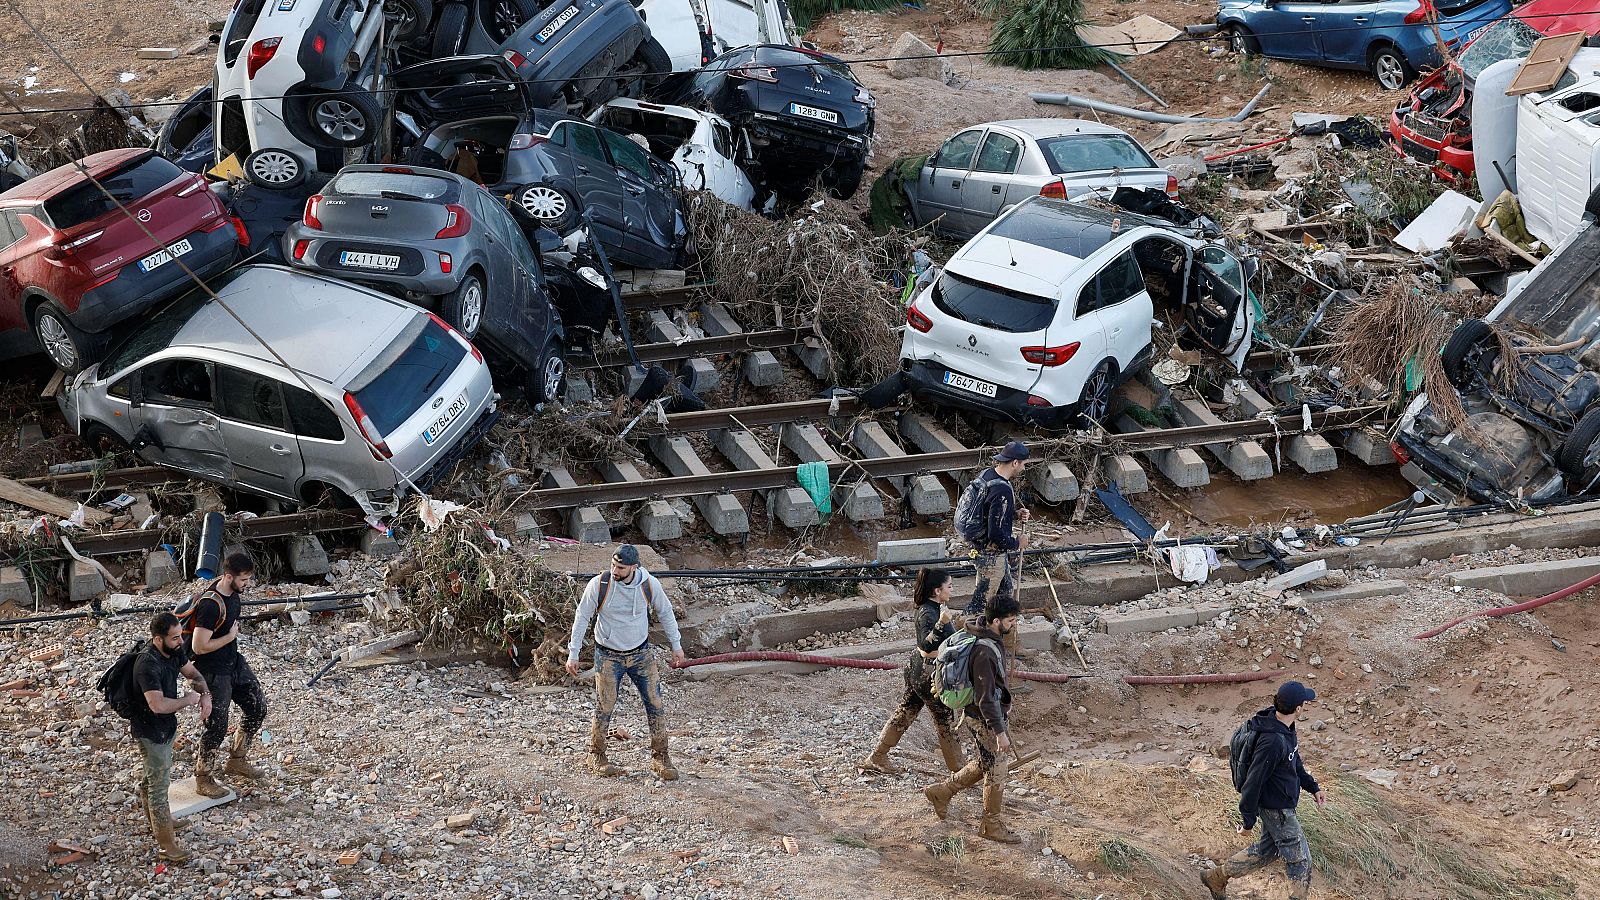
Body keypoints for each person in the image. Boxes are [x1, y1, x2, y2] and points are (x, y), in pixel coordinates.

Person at [566, 544, 686, 780]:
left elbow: (666, 612)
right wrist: (574, 652)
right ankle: (596, 754)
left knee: (655, 703)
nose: (615, 570)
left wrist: (677, 646)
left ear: (634, 567)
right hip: (608, 655)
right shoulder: (599, 585)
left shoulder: (648, 584)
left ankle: (660, 757)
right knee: (605, 706)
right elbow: (582, 616)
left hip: (641, 654)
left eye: (620, 567)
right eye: (613, 565)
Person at [1203, 681, 1325, 900]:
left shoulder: (1283, 726)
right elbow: (1253, 782)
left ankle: (1216, 877)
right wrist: (1248, 821)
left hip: (1281, 802)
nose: (1305, 705)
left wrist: (1312, 787)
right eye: (1304, 702)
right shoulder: (1272, 741)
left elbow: (1293, 762)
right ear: (1298, 708)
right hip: (1276, 808)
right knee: (1301, 860)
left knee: (1266, 851)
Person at [921, 593, 1022, 844]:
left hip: (982, 715)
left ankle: (942, 792)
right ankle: (991, 825)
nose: (1014, 625)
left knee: (985, 762)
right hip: (984, 717)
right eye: (1010, 620)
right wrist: (1000, 732)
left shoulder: (984, 632)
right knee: (996, 770)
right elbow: (986, 698)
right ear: (996, 620)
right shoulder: (984, 652)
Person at [858, 568, 963, 775]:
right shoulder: (928, 612)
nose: (952, 589)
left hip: (919, 671)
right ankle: (959, 771)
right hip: (928, 672)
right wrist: (942, 624)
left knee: (906, 711)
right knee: (945, 720)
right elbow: (925, 645)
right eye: (949, 586)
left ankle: (878, 755)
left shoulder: (934, 608)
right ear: (937, 590)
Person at [131, 612, 212, 863]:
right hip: (150, 731)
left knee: (152, 778)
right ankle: (166, 845)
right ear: (158, 639)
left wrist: (205, 693)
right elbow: (156, 705)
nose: (181, 642)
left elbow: (192, 673)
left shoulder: (174, 650)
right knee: (158, 786)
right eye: (175, 638)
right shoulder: (147, 665)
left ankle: (157, 823)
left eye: (180, 636)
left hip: (166, 727)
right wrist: (188, 700)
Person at [188, 552, 269, 799]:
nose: (247, 584)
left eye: (248, 579)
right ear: (228, 576)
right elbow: (198, 647)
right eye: (244, 580)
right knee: (217, 726)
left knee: (257, 708)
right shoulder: (211, 605)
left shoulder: (234, 595)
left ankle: (237, 759)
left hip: (233, 663)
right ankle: (203, 777)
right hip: (212, 671)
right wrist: (229, 638)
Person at [963, 441, 1031, 621]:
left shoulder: (987, 475)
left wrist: (1014, 514)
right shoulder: (1002, 489)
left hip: (980, 548)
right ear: (1015, 463)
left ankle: (1003, 640)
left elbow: (988, 513)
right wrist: (1017, 543)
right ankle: (969, 636)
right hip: (990, 555)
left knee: (1005, 594)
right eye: (1023, 464)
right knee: (982, 603)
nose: (1024, 469)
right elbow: (996, 534)